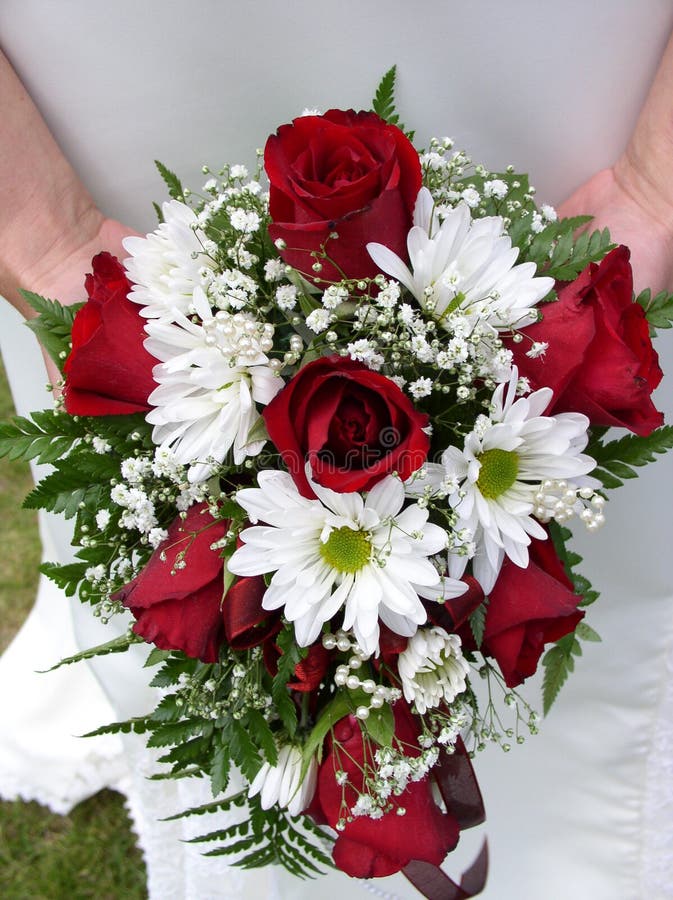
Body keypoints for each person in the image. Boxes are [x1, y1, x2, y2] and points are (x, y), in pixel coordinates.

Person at [1, 2, 672, 897]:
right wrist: (38, 242)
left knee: (620, 585)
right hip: (98, 86)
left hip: (567, 69)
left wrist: (658, 186)